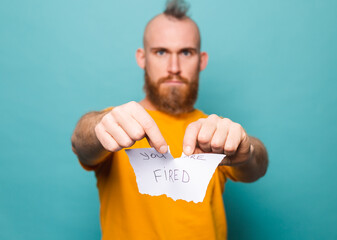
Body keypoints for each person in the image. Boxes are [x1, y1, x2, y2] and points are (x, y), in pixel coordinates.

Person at [71, 0, 268, 239]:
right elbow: (82, 141)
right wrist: (99, 126)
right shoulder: (117, 123)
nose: (173, 67)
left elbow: (257, 167)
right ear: (142, 58)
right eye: (161, 52)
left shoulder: (213, 132)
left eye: (186, 52)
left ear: (201, 60)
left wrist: (246, 149)